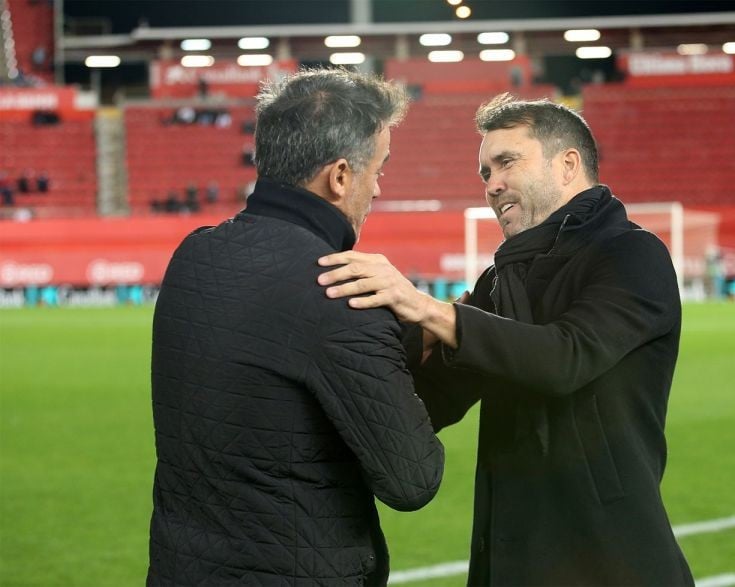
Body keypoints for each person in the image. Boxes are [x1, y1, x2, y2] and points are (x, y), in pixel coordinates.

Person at [317, 93, 694, 586]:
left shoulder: (632, 255)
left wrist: (429, 309)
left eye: (506, 163)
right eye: (484, 174)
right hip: (509, 553)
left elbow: (565, 358)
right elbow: (433, 398)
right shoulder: (501, 279)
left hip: (608, 557)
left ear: (568, 164)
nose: (492, 186)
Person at [147, 68, 444, 587]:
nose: (378, 187)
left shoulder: (193, 254)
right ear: (340, 177)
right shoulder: (341, 290)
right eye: (379, 168)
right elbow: (412, 479)